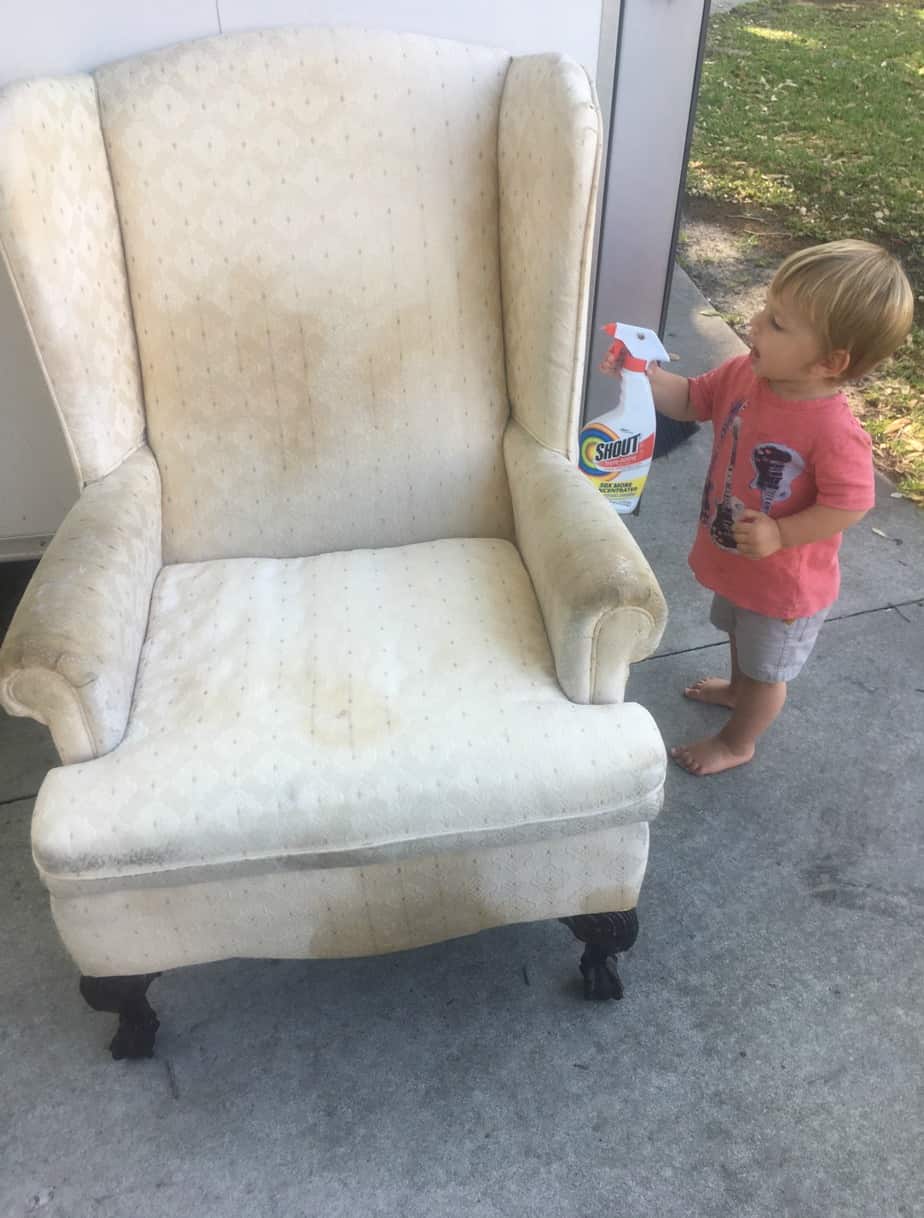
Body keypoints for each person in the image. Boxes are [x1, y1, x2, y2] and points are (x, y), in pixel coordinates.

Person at [647, 239, 914, 776]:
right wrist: (645, 378)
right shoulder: (746, 376)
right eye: (766, 308)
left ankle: (737, 740)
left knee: (768, 672)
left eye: (777, 322)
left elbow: (851, 503)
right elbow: (692, 399)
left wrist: (783, 534)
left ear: (828, 362)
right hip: (741, 563)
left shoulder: (835, 431)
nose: (754, 323)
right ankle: (733, 690)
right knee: (740, 640)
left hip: (784, 587)